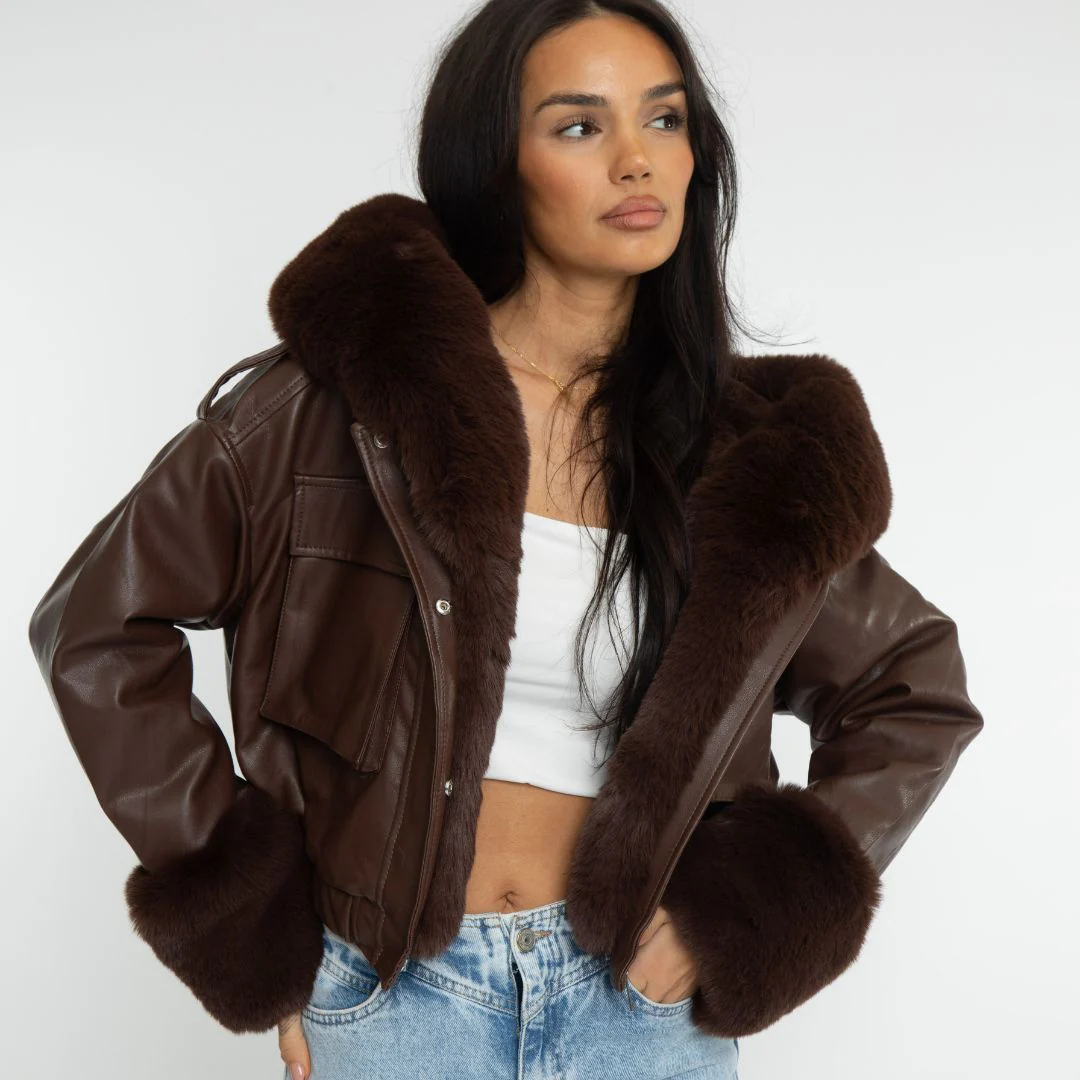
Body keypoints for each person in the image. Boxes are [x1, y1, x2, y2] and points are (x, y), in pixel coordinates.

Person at [27, 1, 985, 1078]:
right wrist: (258, 926)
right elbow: (98, 626)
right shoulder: (342, 409)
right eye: (579, 125)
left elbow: (913, 685)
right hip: (399, 1002)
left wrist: (754, 912)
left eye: (664, 119)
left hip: (638, 1015)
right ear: (496, 163)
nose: (636, 159)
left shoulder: (740, 459)